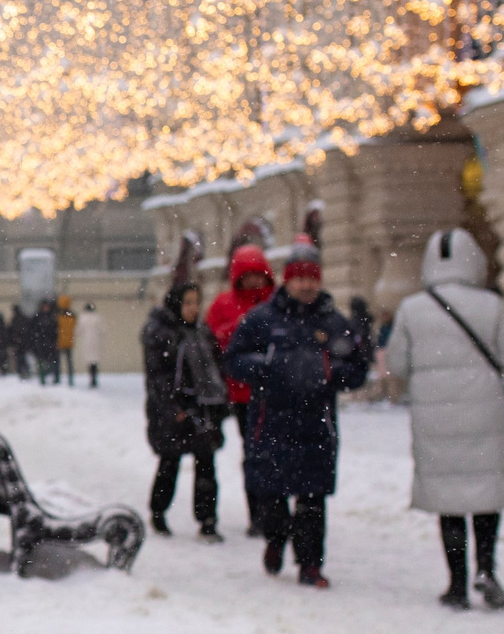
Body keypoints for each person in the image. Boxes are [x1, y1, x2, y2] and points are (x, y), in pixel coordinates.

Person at [384, 231, 504, 610]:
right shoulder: (491, 304)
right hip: (485, 411)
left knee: (449, 500)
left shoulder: (412, 309)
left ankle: (457, 584)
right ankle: (487, 569)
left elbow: (397, 364)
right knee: (486, 496)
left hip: (436, 416)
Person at [225, 242, 370, 587]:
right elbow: (233, 360)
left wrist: (330, 371)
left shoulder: (333, 323)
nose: (306, 286)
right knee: (271, 495)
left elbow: (357, 368)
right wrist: (268, 368)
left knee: (313, 498)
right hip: (272, 422)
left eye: (312, 279)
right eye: (299, 279)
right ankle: (275, 540)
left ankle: (310, 565)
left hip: (316, 425)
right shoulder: (262, 320)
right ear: (287, 282)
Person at [141, 281, 225, 540]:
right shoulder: (163, 334)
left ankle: (207, 520)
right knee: (170, 463)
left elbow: (215, 370)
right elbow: (158, 377)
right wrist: (173, 407)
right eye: (188, 303)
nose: (193, 309)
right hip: (173, 411)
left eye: (197, 303)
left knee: (206, 465)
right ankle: (158, 512)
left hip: (201, 408)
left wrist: (219, 404)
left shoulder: (201, 333)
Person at [205, 246, 276, 532]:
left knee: (276, 453)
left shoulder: (277, 304)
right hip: (242, 394)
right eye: (248, 276)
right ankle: (258, 513)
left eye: (258, 275)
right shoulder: (223, 305)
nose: (254, 282)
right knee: (254, 452)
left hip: (274, 392)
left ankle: (274, 510)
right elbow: (211, 344)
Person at [74, 301, 104, 388]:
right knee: (95, 361)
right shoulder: (98, 317)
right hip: (96, 342)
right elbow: (103, 329)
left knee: (89, 361)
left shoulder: (82, 318)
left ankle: (91, 378)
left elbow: (77, 331)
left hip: (86, 342)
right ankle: (94, 377)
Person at [51, 296, 76, 385]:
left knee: (57, 362)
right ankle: (70, 379)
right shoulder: (72, 315)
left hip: (59, 341)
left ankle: (57, 378)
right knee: (69, 362)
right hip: (69, 342)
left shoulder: (57, 315)